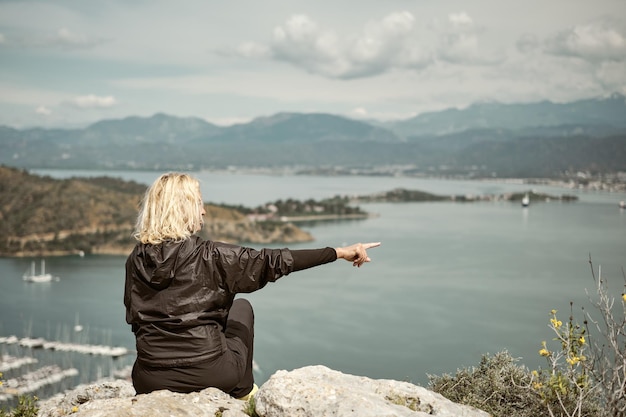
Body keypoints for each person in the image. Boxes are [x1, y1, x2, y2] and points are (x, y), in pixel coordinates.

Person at [124, 172, 380, 400]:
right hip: (211, 372)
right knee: (242, 307)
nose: (204, 211)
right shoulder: (213, 255)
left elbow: (135, 318)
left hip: (149, 378)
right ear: (184, 208)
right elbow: (278, 261)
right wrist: (340, 252)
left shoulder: (135, 259)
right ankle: (243, 391)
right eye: (199, 203)